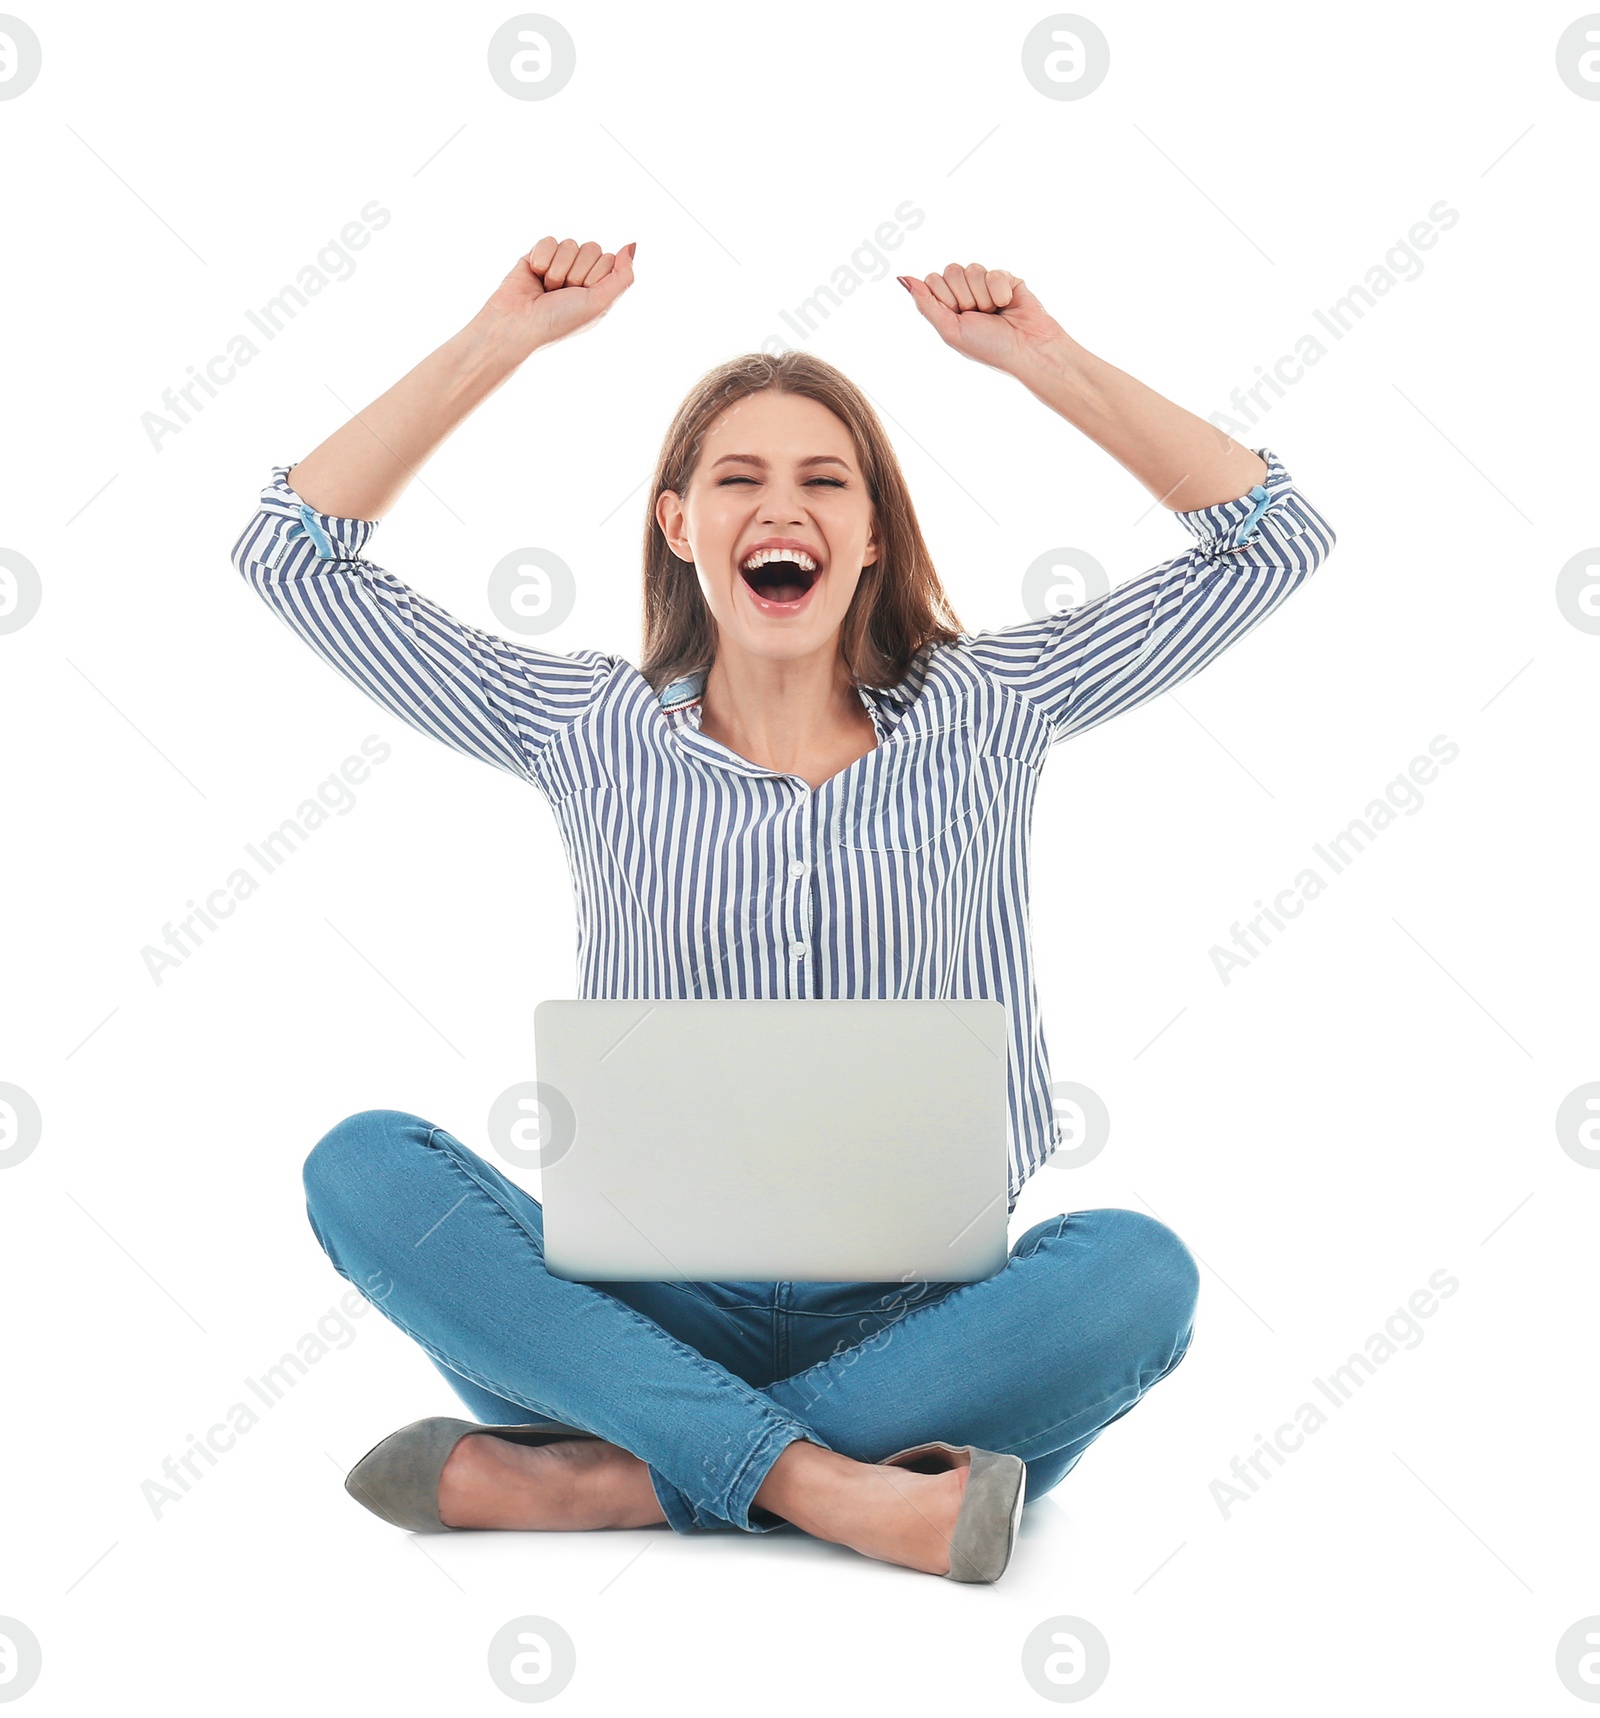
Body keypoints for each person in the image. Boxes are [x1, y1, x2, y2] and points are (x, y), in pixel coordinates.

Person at [230, 236, 1335, 1583]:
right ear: (678, 524)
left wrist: (1041, 360)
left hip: (926, 1339)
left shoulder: (988, 708)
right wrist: (497, 343)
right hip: (631, 1323)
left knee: (1137, 1274)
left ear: (873, 537)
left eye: (826, 481)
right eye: (737, 479)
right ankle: (835, 1486)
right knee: (364, 1167)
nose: (782, 507)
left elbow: (1270, 538)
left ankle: (616, 1478)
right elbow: (295, 557)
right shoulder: (586, 726)